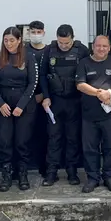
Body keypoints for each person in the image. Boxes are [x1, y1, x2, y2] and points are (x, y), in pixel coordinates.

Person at [38, 24, 89, 186]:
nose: (64, 46)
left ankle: (72, 171)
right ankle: (51, 172)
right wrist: (46, 96)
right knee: (54, 137)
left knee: (73, 138)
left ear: (73, 38)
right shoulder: (49, 50)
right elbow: (43, 75)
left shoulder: (82, 50)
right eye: (61, 42)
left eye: (67, 43)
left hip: (75, 101)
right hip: (55, 100)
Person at [0, 26, 38, 192]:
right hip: (4, 105)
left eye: (12, 40)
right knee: (4, 141)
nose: (8, 44)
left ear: (19, 40)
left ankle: (22, 174)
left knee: (22, 141)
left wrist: (21, 105)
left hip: (24, 105)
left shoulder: (28, 58)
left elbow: (33, 83)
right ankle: (7, 174)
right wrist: (0, 103)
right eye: (6, 40)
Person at [76, 35, 111, 193]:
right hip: (89, 115)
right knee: (90, 148)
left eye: (105, 46)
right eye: (98, 46)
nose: (101, 49)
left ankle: (109, 176)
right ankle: (93, 178)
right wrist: (99, 93)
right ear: (93, 47)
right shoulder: (84, 63)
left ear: (109, 48)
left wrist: (109, 93)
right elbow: (80, 85)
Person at [25, 20, 48, 176]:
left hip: (45, 99)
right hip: (26, 99)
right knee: (24, 135)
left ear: (43, 33)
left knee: (43, 134)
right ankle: (21, 170)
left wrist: (44, 95)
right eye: (33, 32)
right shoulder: (23, 51)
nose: (36, 35)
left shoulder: (49, 51)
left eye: (38, 32)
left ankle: (44, 167)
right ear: (28, 33)